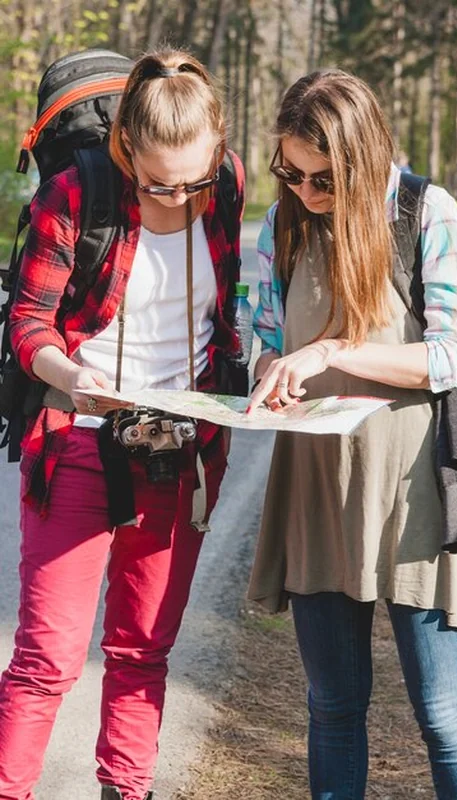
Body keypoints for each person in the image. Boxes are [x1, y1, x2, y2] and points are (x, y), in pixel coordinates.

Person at [0, 48, 244, 800]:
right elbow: (29, 323)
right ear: (124, 147)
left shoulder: (227, 187)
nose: (177, 197)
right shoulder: (75, 197)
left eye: (194, 181)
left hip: (183, 450)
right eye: (158, 181)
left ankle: (125, 791)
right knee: (48, 658)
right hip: (78, 441)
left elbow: (230, 314)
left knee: (141, 653)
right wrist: (72, 377)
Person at [247, 69, 457, 800]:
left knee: (444, 714)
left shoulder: (426, 213)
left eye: (320, 178)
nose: (303, 192)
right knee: (331, 709)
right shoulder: (281, 223)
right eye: (288, 172)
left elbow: (455, 354)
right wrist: (270, 368)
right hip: (318, 484)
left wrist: (331, 351)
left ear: (361, 158)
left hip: (418, 491)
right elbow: (261, 330)